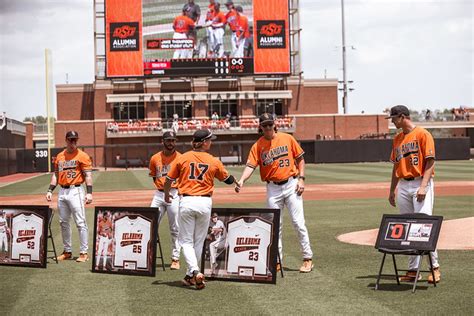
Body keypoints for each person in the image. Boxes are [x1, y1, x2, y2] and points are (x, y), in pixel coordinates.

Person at [236, 113, 314, 273]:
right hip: (272, 188)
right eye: (264, 125)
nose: (268, 128)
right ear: (261, 127)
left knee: (298, 223)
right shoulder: (258, 145)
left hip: (292, 184)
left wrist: (302, 179)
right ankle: (277, 260)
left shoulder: (287, 138)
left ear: (275, 124)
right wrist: (242, 179)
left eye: (270, 124)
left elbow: (300, 159)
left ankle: (307, 258)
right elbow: (251, 166)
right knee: (274, 225)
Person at [164, 129, 240, 290]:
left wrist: (165, 195)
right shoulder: (213, 160)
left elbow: (169, 179)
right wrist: (236, 181)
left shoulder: (183, 158)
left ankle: (195, 271)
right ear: (203, 142)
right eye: (209, 140)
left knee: (185, 241)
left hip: (187, 201)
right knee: (198, 241)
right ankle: (190, 276)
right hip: (205, 203)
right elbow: (226, 179)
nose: (211, 142)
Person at [386, 105, 441, 284]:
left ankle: (435, 268)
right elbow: (396, 166)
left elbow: (430, 162)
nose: (392, 121)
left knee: (425, 227)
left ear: (402, 117)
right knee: (408, 228)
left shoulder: (423, 134)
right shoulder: (397, 138)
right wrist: (392, 189)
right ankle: (413, 270)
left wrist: (423, 186)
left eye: (394, 118)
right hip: (403, 184)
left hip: (420, 182)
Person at [46, 131, 93, 262]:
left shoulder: (82, 156)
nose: (73, 142)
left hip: (76, 191)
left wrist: (89, 192)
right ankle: (67, 251)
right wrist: (50, 190)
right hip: (62, 191)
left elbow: (88, 175)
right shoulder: (60, 156)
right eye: (71, 140)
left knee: (80, 222)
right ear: (66, 140)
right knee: (63, 222)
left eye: (75, 140)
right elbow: (56, 175)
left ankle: (84, 253)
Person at [149, 131, 182, 270]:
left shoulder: (181, 158)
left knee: (175, 227)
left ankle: (175, 258)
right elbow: (153, 176)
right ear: (162, 141)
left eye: (173, 140)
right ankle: (148, 255)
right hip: (158, 194)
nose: (171, 143)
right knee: (150, 223)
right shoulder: (155, 158)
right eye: (168, 140)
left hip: (174, 193)